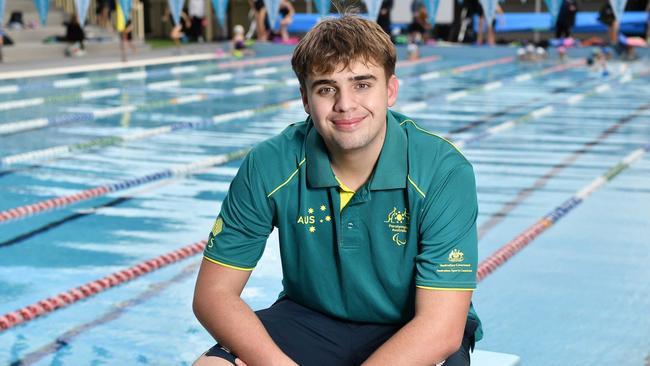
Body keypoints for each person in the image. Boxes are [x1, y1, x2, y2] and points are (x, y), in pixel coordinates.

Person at [192, 13, 482, 366]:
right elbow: (213, 295)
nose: (345, 104)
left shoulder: (442, 171)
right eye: (326, 88)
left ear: (390, 90)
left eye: (362, 84)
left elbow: (440, 328)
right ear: (305, 98)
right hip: (311, 317)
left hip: (412, 325)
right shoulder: (270, 164)